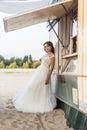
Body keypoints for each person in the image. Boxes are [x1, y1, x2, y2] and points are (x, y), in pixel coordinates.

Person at [13, 41, 57, 113]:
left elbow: (51, 68)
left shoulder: (52, 56)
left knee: (42, 88)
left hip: (45, 73)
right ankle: (30, 101)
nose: (46, 48)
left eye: (47, 46)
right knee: (32, 86)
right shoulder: (46, 55)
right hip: (39, 72)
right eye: (45, 47)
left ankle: (40, 103)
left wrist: (47, 78)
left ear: (51, 47)